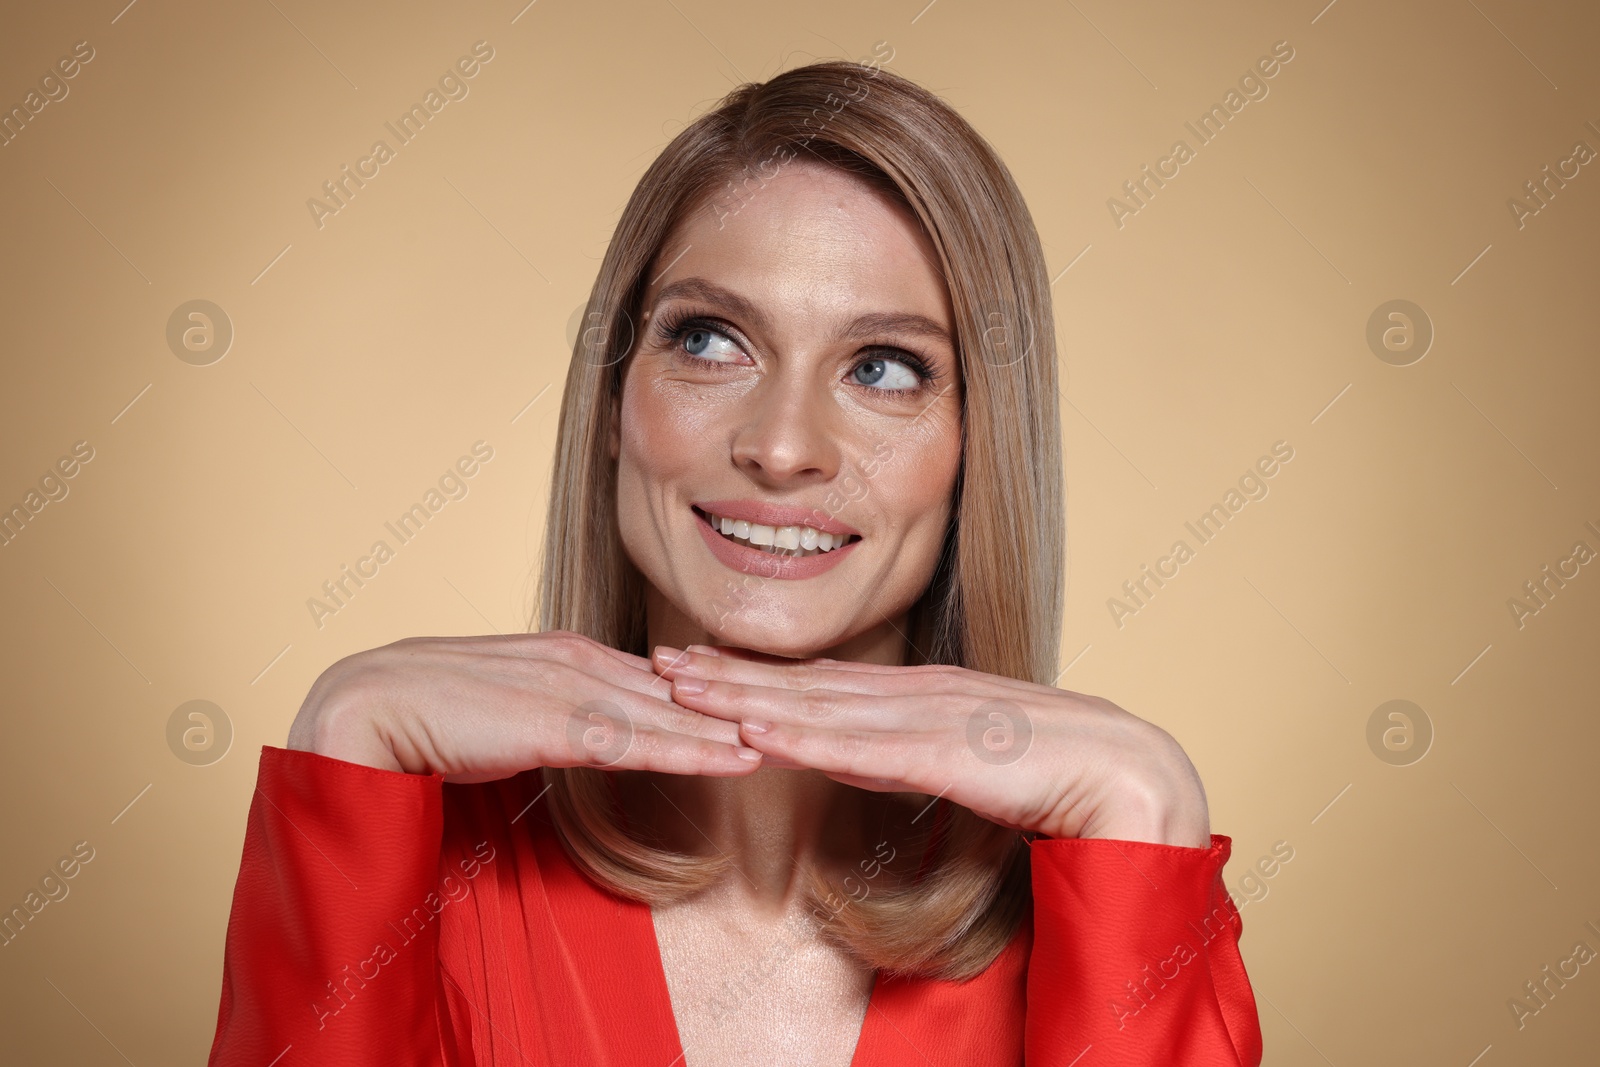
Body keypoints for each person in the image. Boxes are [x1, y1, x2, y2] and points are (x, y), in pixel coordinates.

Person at [206, 56, 1263, 1066]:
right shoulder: (416, 859)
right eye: (710, 340)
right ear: (615, 401)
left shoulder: (1102, 890)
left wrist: (1146, 807)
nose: (782, 444)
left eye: (883, 367)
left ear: (977, 448)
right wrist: (343, 738)